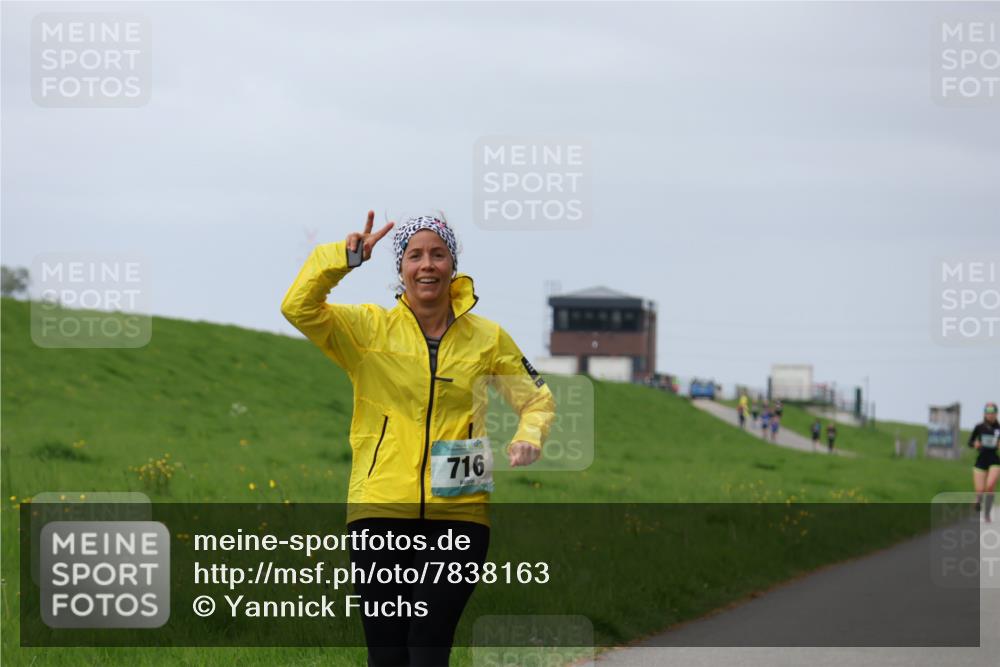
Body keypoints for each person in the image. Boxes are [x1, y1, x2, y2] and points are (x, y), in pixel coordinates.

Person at [281, 211, 556, 666]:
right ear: (401, 269)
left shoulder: (488, 338)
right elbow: (298, 307)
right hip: (380, 510)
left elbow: (538, 399)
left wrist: (529, 436)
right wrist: (341, 259)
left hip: (461, 514)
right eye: (414, 256)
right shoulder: (368, 330)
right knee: (388, 656)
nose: (426, 264)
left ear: (453, 265)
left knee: (429, 647)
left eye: (437, 254)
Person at [969, 402, 1000, 522]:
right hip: (981, 459)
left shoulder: (998, 428)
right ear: (985, 414)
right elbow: (970, 442)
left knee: (990, 485)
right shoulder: (979, 427)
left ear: (996, 414)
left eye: (993, 413)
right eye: (988, 413)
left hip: (994, 460)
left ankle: (987, 513)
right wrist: (975, 444)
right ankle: (978, 501)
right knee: (980, 490)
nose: (990, 415)